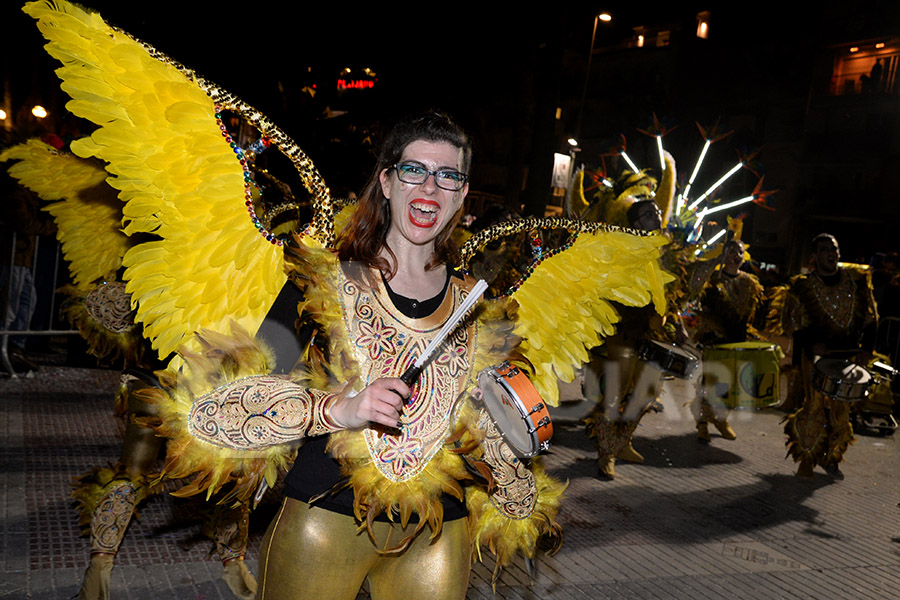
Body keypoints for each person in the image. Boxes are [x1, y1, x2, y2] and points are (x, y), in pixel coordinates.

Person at [152, 112, 565, 600]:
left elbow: (515, 500)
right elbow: (208, 416)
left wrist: (501, 439)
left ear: (460, 193)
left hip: (438, 533)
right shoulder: (321, 282)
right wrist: (340, 409)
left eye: (447, 175)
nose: (430, 187)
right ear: (387, 182)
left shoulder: (479, 312)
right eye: (414, 170)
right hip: (323, 519)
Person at [779, 233, 878, 479]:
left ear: (839, 253)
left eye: (833, 248)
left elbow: (870, 318)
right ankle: (807, 459)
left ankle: (831, 457)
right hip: (814, 359)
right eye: (824, 250)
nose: (830, 253)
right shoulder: (803, 285)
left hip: (846, 359)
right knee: (812, 408)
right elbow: (793, 324)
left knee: (841, 413)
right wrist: (812, 345)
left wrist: (867, 348)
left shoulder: (856, 280)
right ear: (815, 256)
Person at [691, 239, 767, 442]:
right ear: (724, 254)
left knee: (732, 386)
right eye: (731, 251)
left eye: (740, 252)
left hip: (737, 341)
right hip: (715, 341)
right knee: (711, 383)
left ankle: (721, 420)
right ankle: (702, 424)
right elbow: (704, 310)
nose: (736, 255)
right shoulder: (713, 278)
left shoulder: (750, 283)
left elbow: (752, 315)